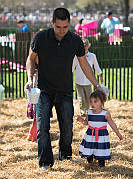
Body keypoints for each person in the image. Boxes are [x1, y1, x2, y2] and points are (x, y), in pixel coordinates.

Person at [25, 7, 100, 170]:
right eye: (58, 27)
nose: (61, 31)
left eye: (65, 27)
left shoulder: (75, 40)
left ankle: (65, 156)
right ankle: (45, 162)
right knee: (42, 127)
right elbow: (30, 60)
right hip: (43, 90)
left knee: (67, 126)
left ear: (69, 24)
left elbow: (84, 64)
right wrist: (30, 78)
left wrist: (96, 84)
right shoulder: (40, 38)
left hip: (65, 91)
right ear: (52, 23)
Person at [77, 90, 123, 167]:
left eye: (95, 101)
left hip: (101, 135)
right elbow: (86, 122)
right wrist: (82, 121)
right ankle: (90, 159)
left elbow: (112, 124)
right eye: (91, 101)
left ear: (102, 102)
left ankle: (101, 162)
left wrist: (118, 133)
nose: (92, 104)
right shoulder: (89, 112)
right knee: (90, 146)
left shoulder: (105, 113)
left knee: (100, 148)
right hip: (90, 134)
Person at [72, 38, 103, 117]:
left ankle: (89, 110)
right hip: (78, 81)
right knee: (81, 98)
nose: (84, 51)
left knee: (89, 98)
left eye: (86, 49)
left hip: (88, 82)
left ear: (88, 47)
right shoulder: (76, 56)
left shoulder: (92, 56)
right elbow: (72, 67)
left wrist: (100, 75)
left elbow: (96, 66)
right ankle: (83, 112)